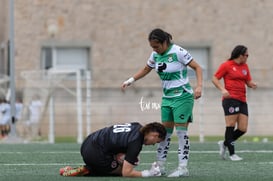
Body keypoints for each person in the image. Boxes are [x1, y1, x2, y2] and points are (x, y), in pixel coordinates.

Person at [121, 28, 203, 177]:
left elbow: (197, 67)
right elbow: (146, 68)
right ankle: (160, 166)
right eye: (152, 47)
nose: (155, 50)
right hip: (167, 98)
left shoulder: (178, 51)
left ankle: (183, 168)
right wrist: (130, 80)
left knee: (181, 132)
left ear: (165, 42)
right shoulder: (155, 55)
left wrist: (199, 86)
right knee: (164, 133)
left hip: (182, 96)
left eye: (157, 46)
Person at [59, 122, 167, 177]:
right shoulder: (136, 143)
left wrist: (122, 156)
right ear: (155, 135)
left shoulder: (136, 125)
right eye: (156, 141)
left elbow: (119, 139)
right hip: (95, 153)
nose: (153, 145)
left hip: (88, 141)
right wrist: (149, 173)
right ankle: (90, 169)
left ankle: (100, 164)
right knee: (121, 171)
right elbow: (127, 173)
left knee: (131, 159)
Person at [212, 45, 257, 161]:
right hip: (230, 99)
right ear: (240, 55)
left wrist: (252, 84)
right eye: (247, 55)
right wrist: (223, 90)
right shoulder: (226, 65)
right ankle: (232, 154)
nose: (248, 57)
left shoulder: (245, 66)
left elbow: (248, 80)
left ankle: (225, 143)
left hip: (242, 100)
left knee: (243, 128)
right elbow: (215, 78)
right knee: (230, 125)